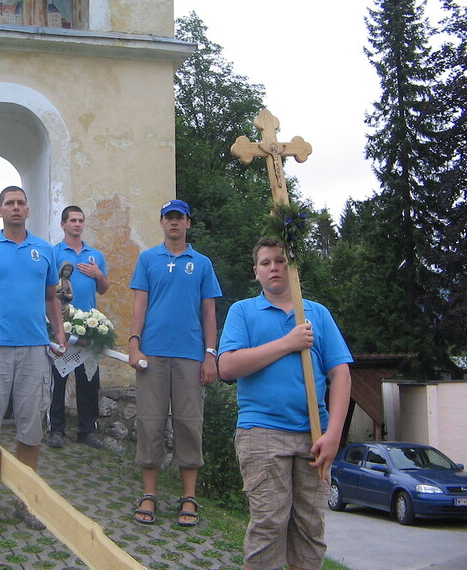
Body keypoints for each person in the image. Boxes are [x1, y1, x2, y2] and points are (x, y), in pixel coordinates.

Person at [218, 236, 352, 570]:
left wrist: (334, 434)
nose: (274, 268)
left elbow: (340, 374)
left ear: (293, 269)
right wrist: (288, 342)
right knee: (269, 523)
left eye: (281, 261)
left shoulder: (317, 314)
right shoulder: (243, 311)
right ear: (256, 272)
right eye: (266, 263)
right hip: (261, 431)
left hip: (314, 435)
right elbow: (227, 367)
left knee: (310, 528)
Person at [0, 185, 67, 530]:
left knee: (31, 428)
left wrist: (59, 331)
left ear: (28, 210)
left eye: (21, 202)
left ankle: (26, 502)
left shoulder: (45, 250)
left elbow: (51, 297)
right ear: (0, 211)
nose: (16, 207)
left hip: (35, 349)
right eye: (10, 203)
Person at [127, 199, 222, 526]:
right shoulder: (147, 259)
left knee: (189, 424)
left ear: (188, 223)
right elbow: (139, 304)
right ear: (161, 222)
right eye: (168, 217)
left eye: (179, 218)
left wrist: (210, 354)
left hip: (190, 356)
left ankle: (189, 497)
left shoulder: (202, 263)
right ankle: (149, 495)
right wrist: (134, 344)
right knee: (150, 423)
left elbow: (209, 312)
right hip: (152, 354)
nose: (174, 223)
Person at [47, 206, 110, 450]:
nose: (77, 224)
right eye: (72, 220)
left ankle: (87, 430)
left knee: (89, 381)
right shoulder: (53, 253)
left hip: (88, 325)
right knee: (58, 380)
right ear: (63, 224)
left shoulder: (95, 255)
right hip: (61, 324)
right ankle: (56, 430)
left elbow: (104, 288)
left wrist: (98, 274)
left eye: (80, 220)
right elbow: (47, 288)